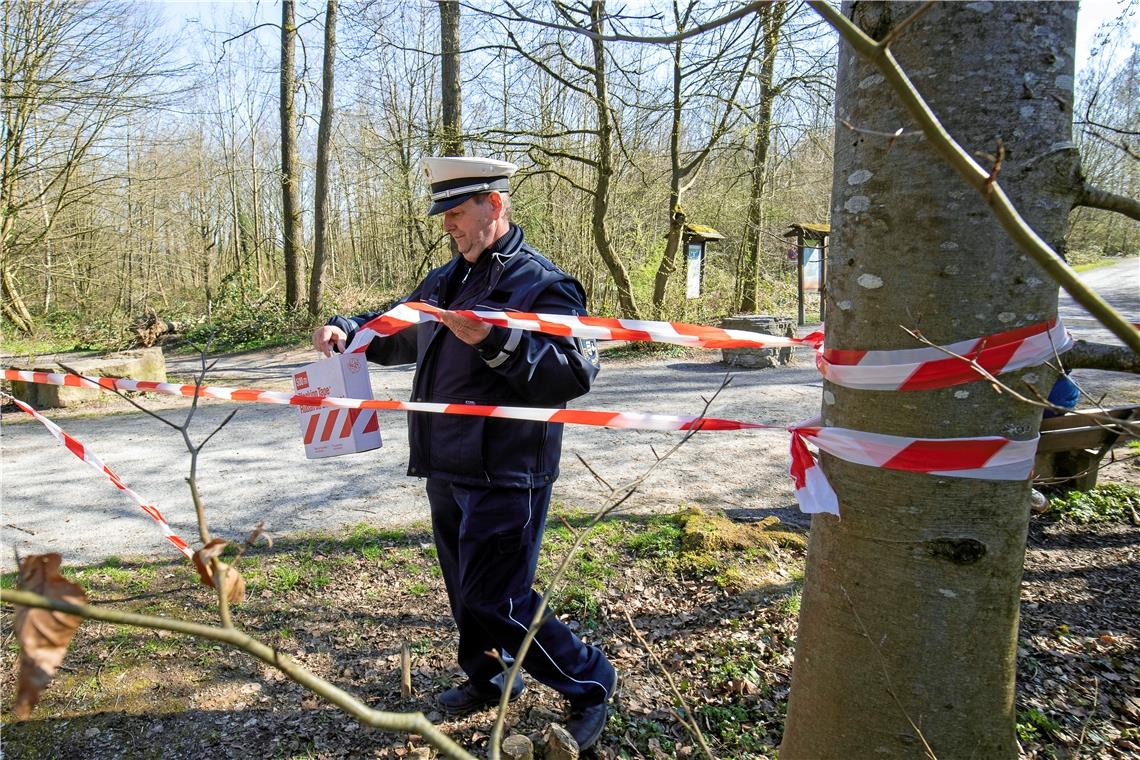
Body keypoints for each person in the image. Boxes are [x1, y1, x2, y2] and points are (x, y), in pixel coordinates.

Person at [313, 156, 616, 750]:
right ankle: (491, 676)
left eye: (457, 212)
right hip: (445, 466)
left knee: (496, 596)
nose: (448, 224)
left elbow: (572, 376)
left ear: (494, 206)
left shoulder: (544, 286)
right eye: (443, 214)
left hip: (509, 471)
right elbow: (397, 332)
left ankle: (591, 682)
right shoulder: (444, 281)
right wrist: (348, 329)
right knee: (463, 589)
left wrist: (496, 341)